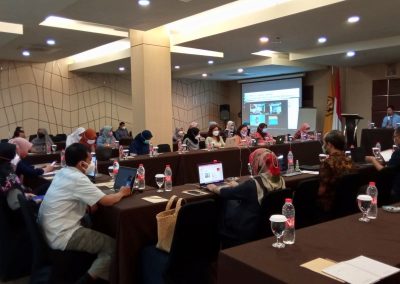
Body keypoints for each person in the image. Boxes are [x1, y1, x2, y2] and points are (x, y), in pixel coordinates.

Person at [38, 143, 131, 283]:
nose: (90, 163)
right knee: (112, 247)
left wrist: (87, 207)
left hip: (49, 229)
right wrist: (122, 193)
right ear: (82, 163)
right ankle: (86, 280)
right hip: (63, 234)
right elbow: (106, 201)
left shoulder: (62, 172)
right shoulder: (78, 178)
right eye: (89, 160)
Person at [207, 148, 285, 248]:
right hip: (267, 226)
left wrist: (214, 188)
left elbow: (226, 193)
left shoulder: (252, 184)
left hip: (246, 229)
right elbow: (251, 190)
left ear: (258, 163)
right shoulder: (280, 179)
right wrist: (238, 186)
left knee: (226, 202)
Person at [318, 130, 353, 212]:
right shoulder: (350, 160)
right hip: (348, 203)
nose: (324, 146)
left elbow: (321, 191)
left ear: (330, 145)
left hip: (330, 205)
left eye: (325, 143)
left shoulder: (327, 163)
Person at [365, 126, 400, 200]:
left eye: (395, 136)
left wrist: (372, 159)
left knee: (366, 188)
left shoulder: (398, 153)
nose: (394, 139)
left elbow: (384, 172)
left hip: (396, 191)